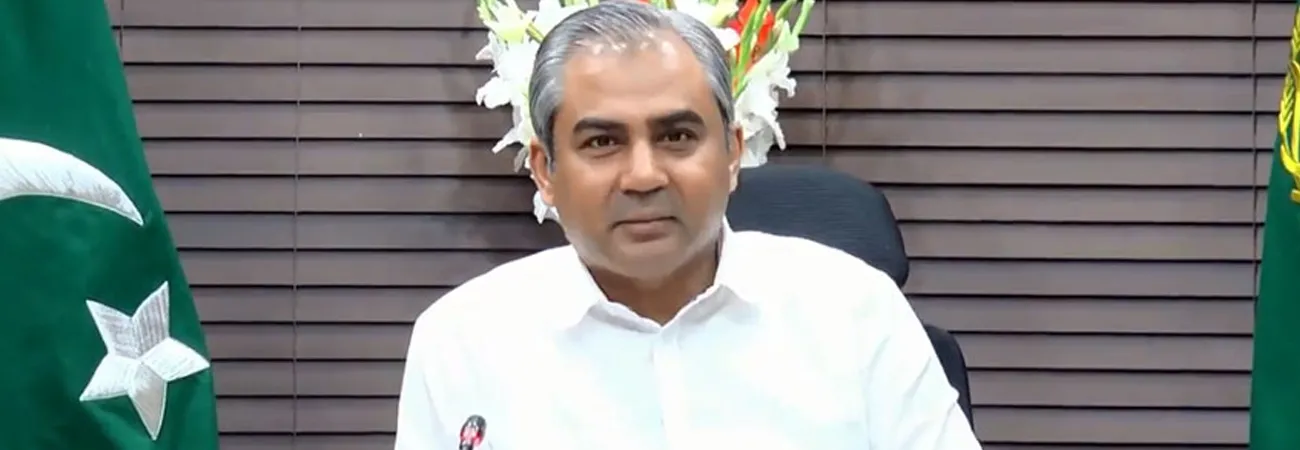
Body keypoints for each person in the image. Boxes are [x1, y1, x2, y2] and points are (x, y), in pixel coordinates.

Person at [393, 1, 982, 449]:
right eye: (602, 142)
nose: (643, 175)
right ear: (546, 171)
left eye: (676, 136)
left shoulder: (856, 314)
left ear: (732, 153)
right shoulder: (462, 341)